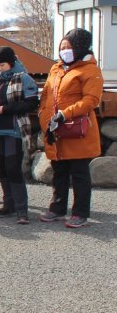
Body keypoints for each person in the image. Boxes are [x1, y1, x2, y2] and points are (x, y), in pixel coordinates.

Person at [38, 28, 104, 228]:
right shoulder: (56, 69)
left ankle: (80, 212)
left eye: (68, 47)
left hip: (77, 131)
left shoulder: (90, 70)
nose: (64, 51)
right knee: (59, 172)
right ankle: (57, 208)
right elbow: (46, 95)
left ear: (79, 47)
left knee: (79, 174)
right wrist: (44, 116)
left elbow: (91, 100)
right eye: (62, 47)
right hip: (56, 130)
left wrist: (66, 113)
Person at [0, 46, 39, 224]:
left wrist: (4, 109)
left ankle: (22, 209)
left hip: (13, 129)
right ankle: (9, 204)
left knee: (14, 168)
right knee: (3, 168)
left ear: (11, 62)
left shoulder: (24, 78)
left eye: (2, 65)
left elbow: (30, 103)